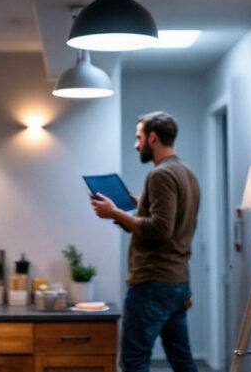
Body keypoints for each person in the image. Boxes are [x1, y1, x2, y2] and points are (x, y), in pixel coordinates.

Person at [91, 111, 200, 372]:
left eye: (139, 137)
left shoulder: (160, 175)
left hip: (152, 282)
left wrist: (114, 212)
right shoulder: (186, 172)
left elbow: (161, 230)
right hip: (177, 281)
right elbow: (170, 224)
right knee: (182, 360)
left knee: (134, 360)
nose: (136, 144)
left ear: (153, 137)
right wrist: (139, 207)